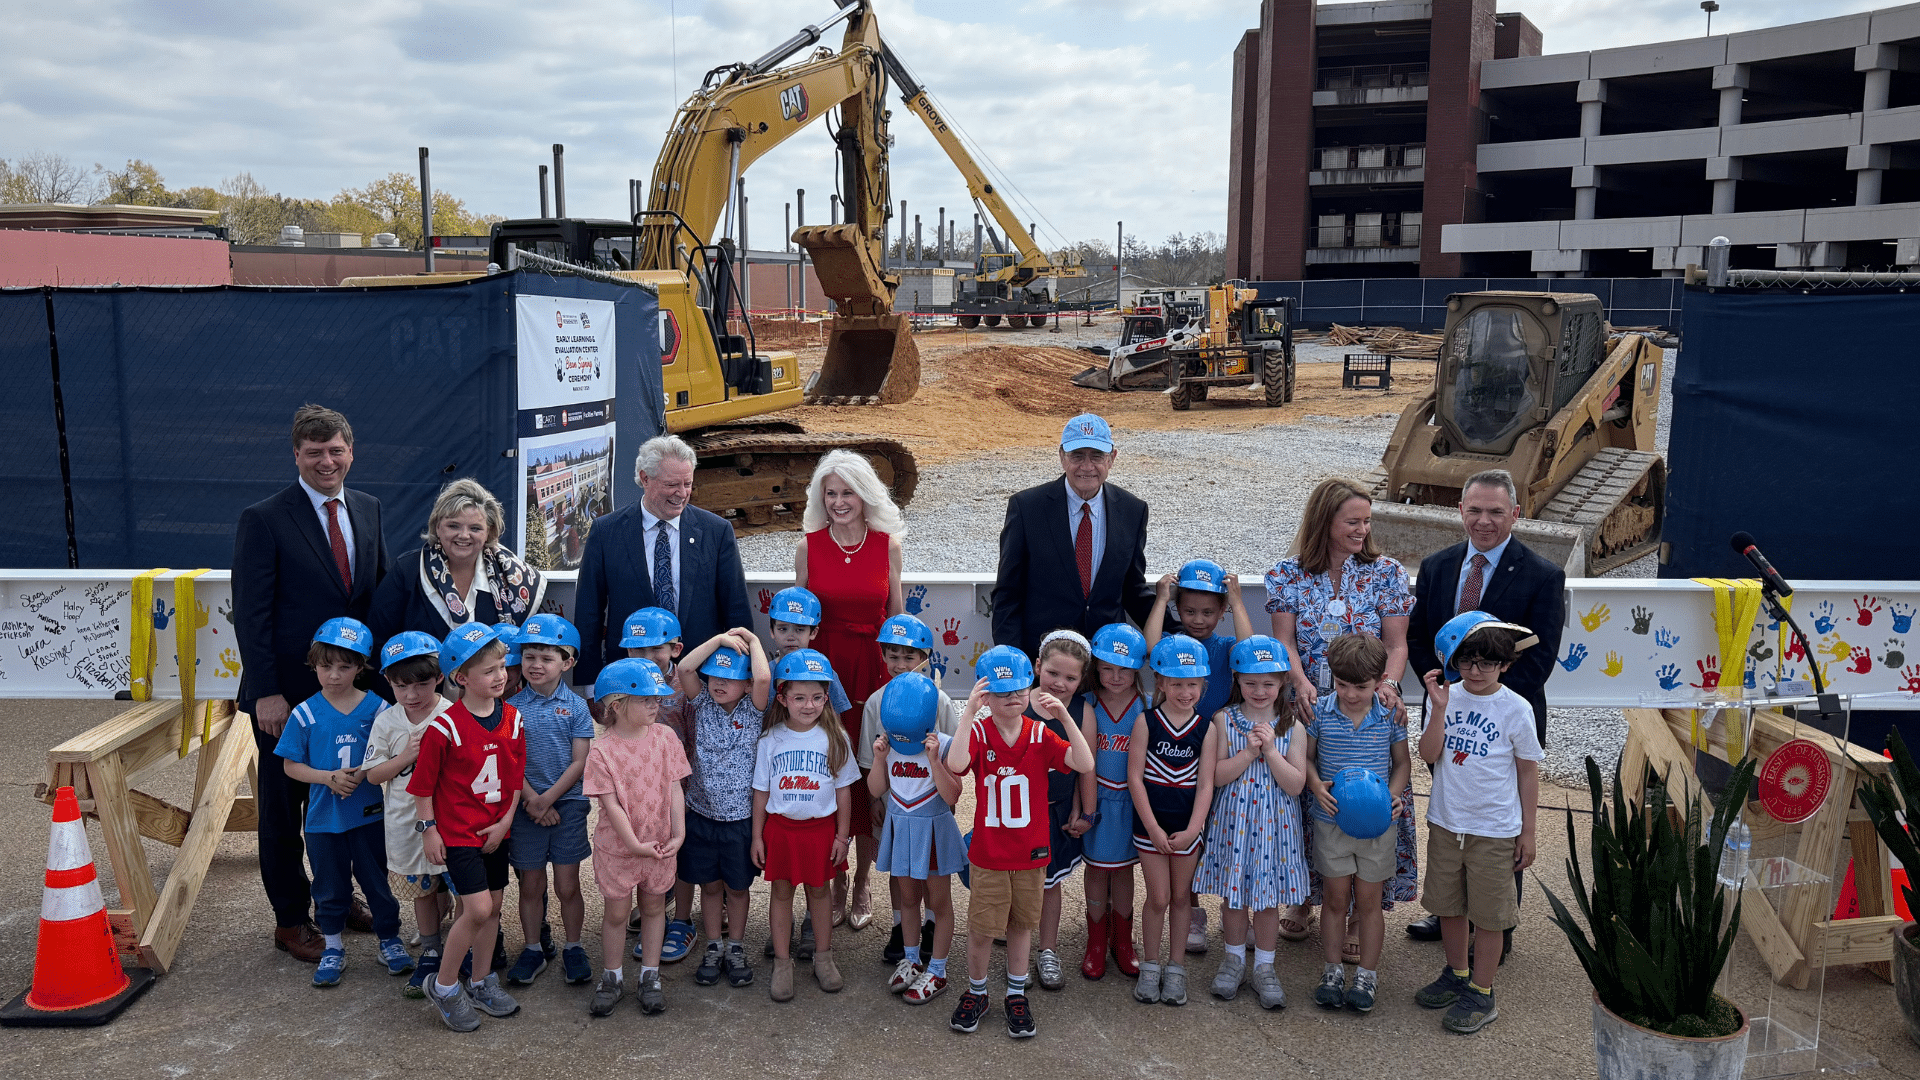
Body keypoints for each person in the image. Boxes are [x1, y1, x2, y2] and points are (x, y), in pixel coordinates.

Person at [233, 404, 386, 961]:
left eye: (336, 450)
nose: (327, 460)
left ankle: (339, 903)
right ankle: (292, 920)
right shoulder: (265, 518)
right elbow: (251, 613)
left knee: (347, 798)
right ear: (296, 455)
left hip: (351, 695)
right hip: (289, 696)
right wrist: (268, 692)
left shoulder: (367, 509)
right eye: (314, 451)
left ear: (351, 451)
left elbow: (375, 599)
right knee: (284, 809)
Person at [1403, 469, 1565, 948]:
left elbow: (1540, 656)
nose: (1484, 521)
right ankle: (1449, 912)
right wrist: (1446, 691)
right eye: (1474, 510)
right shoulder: (1437, 566)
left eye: (1496, 511)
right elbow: (1419, 637)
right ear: (1460, 511)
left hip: (1504, 723)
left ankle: (1495, 924)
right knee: (1453, 816)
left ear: (1516, 514)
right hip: (1447, 717)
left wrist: (1483, 692)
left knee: (1501, 824)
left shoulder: (1542, 575)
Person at [1264, 477, 1416, 955]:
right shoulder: (1289, 574)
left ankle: (1358, 912)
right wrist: (1299, 683)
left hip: (1368, 709)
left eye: (1366, 521)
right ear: (1324, 521)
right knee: (1312, 800)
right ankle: (1304, 899)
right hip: (1309, 706)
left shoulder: (1386, 572)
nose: (1362, 529)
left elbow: (1396, 644)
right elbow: (1284, 643)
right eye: (1353, 521)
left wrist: (1388, 686)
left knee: (1366, 798)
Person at [944, 646, 1095, 1039]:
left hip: (1030, 853)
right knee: (981, 930)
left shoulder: (1040, 733)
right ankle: (977, 991)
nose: (1012, 697)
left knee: (1021, 927)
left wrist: (1063, 714)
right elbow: (957, 765)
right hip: (990, 853)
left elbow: (1084, 763)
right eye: (1001, 691)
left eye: (1019, 689)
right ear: (986, 694)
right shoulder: (978, 731)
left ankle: (1015, 991)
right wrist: (967, 716)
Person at [793, 449, 906, 931]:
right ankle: (834, 881)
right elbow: (796, 619)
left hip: (875, 675)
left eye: (848, 492)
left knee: (867, 779)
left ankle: (862, 881)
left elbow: (898, 617)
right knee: (828, 777)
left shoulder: (887, 545)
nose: (840, 502)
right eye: (831, 493)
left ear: (865, 495)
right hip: (824, 677)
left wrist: (907, 678)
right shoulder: (808, 546)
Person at [1415, 612, 1543, 1035]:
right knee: (1449, 907)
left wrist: (1528, 830)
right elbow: (1429, 754)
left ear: (1505, 664)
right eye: (1467, 660)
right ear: (1455, 662)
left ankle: (1483, 991)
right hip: (1447, 822)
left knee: (1490, 917)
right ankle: (1456, 972)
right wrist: (1437, 709)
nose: (1475, 670)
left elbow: (1527, 771)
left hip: (1495, 829)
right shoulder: (1447, 698)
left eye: (1487, 662)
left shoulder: (1517, 709)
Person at [272, 617, 408, 988]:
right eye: (325, 665)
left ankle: (389, 940)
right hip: (321, 818)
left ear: (360, 667)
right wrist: (326, 777)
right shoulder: (305, 712)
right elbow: (290, 765)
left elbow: (387, 753)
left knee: (377, 882)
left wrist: (362, 774)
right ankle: (332, 945)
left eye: (345, 666)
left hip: (366, 815)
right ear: (313, 665)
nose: (334, 675)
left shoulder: (377, 708)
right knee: (329, 886)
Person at [410, 622, 525, 1031]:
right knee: (476, 908)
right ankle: (443, 986)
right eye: (489, 670)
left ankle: (480, 980)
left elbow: (513, 781)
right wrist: (429, 828)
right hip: (459, 833)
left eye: (502, 666)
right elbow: (422, 785)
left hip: (496, 830)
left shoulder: (512, 719)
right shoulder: (445, 727)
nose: (501, 676)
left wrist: (506, 822)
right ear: (461, 679)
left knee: (492, 909)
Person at [574, 434, 754, 691]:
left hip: (703, 679)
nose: (681, 494)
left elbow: (736, 610)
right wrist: (590, 684)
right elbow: (588, 612)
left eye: (687, 484)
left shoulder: (717, 531)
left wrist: (739, 676)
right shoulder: (606, 532)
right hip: (628, 683)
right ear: (645, 478)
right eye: (672, 485)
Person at [1191, 635, 1308, 1010]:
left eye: (1269, 683)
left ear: (1282, 684)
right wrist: (1247, 752)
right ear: (1237, 680)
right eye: (1251, 682)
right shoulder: (1223, 721)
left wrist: (1271, 751)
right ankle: (1234, 959)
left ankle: (1266, 967)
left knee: (1269, 900)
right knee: (1235, 897)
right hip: (1234, 826)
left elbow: (1295, 784)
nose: (1259, 690)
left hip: (1276, 828)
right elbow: (1216, 775)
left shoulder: (1294, 727)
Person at [1144, 559, 1254, 954]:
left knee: (1223, 832)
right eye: (1188, 611)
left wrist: (1239, 601)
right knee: (1182, 831)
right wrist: (1161, 599)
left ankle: (1237, 913)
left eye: (1209, 611)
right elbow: (1151, 648)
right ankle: (1190, 912)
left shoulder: (1225, 647)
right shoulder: (1174, 647)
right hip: (1176, 752)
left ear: (1221, 612)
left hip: (1217, 746)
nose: (1198, 619)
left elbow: (1248, 650)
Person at [1303, 634, 1412, 1015]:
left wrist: (1394, 796)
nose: (1350, 694)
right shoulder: (1319, 712)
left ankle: (1367, 974)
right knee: (1334, 900)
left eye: (1361, 687)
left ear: (1380, 680)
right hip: (1330, 821)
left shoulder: (1390, 716)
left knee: (1368, 903)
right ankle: (1331, 971)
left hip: (1378, 824)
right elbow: (1308, 759)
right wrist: (1315, 784)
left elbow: (1402, 764)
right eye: (1343, 684)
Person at [991, 413, 1154, 660]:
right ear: (1062, 457)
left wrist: (1179, 634)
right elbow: (1008, 593)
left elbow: (1132, 589)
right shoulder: (1027, 508)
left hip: (1106, 665)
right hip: (1044, 663)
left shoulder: (1133, 510)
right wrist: (1012, 661)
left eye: (1097, 456)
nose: (1087, 466)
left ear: (1112, 458)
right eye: (1077, 456)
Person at [752, 649, 862, 1002]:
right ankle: (783, 963)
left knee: (820, 893)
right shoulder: (771, 740)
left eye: (817, 697)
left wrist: (843, 836)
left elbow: (844, 792)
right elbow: (760, 792)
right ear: (782, 699)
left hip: (820, 831)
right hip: (781, 830)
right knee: (781, 893)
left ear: (827, 698)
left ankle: (823, 958)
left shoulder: (836, 738)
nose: (808, 705)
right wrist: (757, 835)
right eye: (799, 697)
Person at [584, 658, 690, 1018]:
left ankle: (650, 974)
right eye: (646, 699)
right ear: (617, 705)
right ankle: (612, 976)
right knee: (616, 912)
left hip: (659, 843)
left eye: (657, 699)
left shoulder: (666, 738)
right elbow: (610, 804)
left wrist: (680, 832)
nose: (655, 705)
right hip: (619, 849)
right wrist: (632, 844)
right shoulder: (602, 751)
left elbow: (675, 787)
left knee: (655, 907)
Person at [759, 586, 855, 961]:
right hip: (780, 783)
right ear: (772, 631)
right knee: (781, 882)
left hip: (817, 789)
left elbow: (836, 715)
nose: (792, 636)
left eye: (801, 629)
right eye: (784, 628)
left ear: (814, 632)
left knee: (817, 884)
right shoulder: (767, 675)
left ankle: (809, 933)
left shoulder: (823, 672)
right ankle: (781, 935)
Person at [673, 628, 773, 990]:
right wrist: (716, 641)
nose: (719, 683)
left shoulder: (754, 709)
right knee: (710, 887)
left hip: (739, 820)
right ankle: (713, 945)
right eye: (715, 674)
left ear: (746, 686)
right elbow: (685, 668)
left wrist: (754, 639)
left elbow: (763, 675)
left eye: (730, 678)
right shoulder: (701, 703)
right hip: (701, 813)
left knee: (737, 888)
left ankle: (735, 947)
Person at [856, 614, 958, 964]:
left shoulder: (940, 702)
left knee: (932, 870)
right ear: (883, 656)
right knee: (901, 871)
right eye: (893, 656)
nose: (900, 665)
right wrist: (873, 800)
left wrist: (949, 799)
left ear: (926, 657)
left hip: (931, 804)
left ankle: (931, 925)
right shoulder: (876, 701)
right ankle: (902, 927)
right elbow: (870, 759)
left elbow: (954, 756)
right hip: (894, 802)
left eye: (909, 657)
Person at [360, 631, 455, 999]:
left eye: (422, 684)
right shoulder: (388, 721)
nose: (412, 695)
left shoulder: (452, 714)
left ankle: (467, 950)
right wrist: (408, 755)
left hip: (451, 820)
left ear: (441, 676)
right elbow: (372, 775)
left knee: (459, 884)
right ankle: (432, 951)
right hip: (405, 823)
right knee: (422, 891)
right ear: (388, 681)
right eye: (401, 686)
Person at [1127, 634, 1219, 1008]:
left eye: (1192, 684)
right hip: (1150, 827)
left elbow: (1206, 783)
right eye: (1177, 683)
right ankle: (1151, 965)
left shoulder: (1207, 728)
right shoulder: (1146, 722)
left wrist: (1196, 827)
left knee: (1182, 898)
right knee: (1158, 897)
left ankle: (1176, 967)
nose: (1185, 691)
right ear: (1160, 683)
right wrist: (1151, 826)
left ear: (1203, 686)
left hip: (1187, 828)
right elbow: (1134, 778)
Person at [503, 615, 594, 988]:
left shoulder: (576, 708)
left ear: (568, 662)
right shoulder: (510, 708)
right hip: (525, 805)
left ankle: (574, 946)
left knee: (568, 886)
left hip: (568, 805)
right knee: (530, 885)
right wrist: (533, 801)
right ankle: (532, 949)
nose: (536, 665)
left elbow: (580, 761)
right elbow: (509, 760)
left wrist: (549, 799)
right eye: (529, 657)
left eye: (546, 658)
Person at [868, 672, 965, 1005]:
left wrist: (935, 760)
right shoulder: (889, 742)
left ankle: (937, 969)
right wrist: (880, 758)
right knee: (908, 898)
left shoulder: (945, 743)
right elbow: (876, 790)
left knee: (938, 903)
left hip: (934, 832)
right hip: (901, 830)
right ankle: (911, 959)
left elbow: (952, 796)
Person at [369, 478, 548, 649]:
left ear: (489, 532)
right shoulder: (408, 571)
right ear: (437, 527)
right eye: (453, 526)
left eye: (475, 528)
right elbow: (379, 641)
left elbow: (530, 649)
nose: (464, 535)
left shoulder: (515, 577)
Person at [616, 606, 699, 965]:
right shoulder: (621, 680)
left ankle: (681, 921)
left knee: (679, 851)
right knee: (649, 846)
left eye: (655, 649)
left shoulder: (686, 685)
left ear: (675, 650)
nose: (645, 657)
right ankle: (653, 914)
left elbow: (697, 736)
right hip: (640, 785)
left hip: (682, 783)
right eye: (636, 650)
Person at [1078, 623, 1148, 982]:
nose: (1115, 676)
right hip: (1098, 799)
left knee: (1123, 871)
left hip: (1131, 800)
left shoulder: (1146, 707)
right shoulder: (1087, 704)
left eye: (1124, 668)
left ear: (1137, 668)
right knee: (1096, 869)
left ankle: (1123, 940)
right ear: (1095, 667)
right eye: (1107, 667)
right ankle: (1094, 940)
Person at [1029, 631, 1094, 991]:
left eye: (1071, 678)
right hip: (1018, 816)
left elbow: (1087, 768)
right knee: (1018, 885)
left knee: (1050, 886)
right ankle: (1018, 947)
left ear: (1081, 680)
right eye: (1053, 673)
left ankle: (1048, 949)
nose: (1060, 683)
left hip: (1054, 815)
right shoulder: (1016, 703)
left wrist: (1086, 811)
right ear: (1038, 666)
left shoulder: (1082, 711)